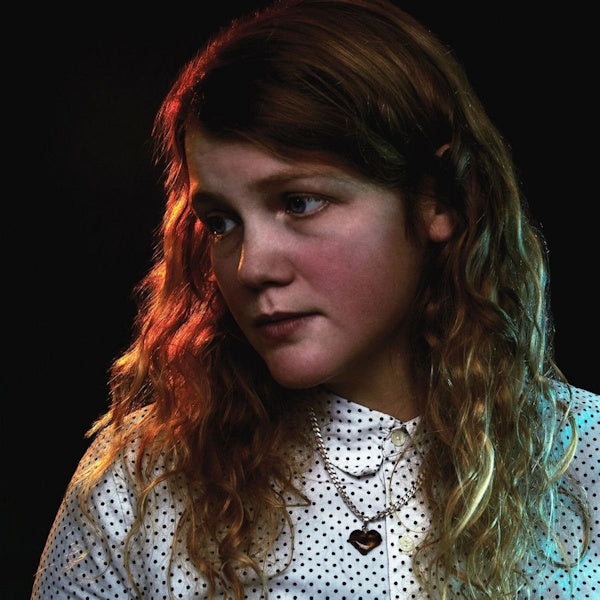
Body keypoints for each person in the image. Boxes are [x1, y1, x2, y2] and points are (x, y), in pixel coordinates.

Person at [31, 0, 599, 598]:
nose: (252, 267)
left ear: (438, 199)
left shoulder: (580, 457)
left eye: (298, 203)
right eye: (221, 221)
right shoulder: (142, 485)